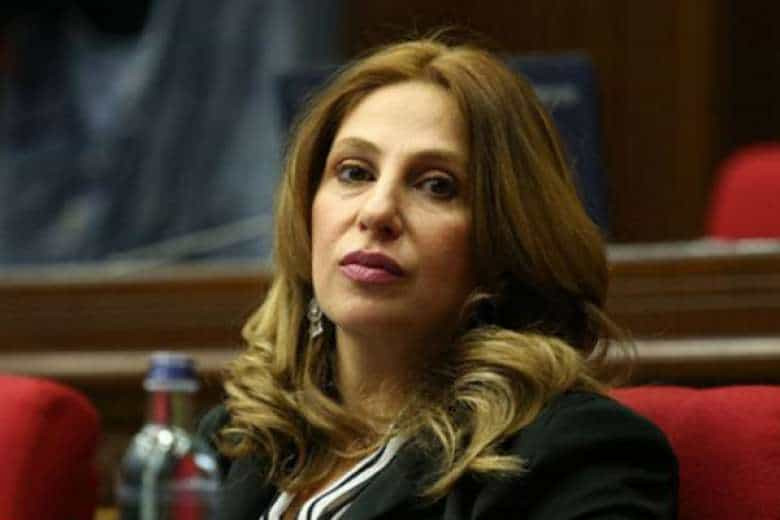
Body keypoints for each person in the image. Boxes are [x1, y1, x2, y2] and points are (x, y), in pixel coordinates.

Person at [199, 35, 678, 520]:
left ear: (505, 239)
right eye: (355, 173)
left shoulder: (578, 454)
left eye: (436, 186)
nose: (377, 211)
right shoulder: (235, 441)